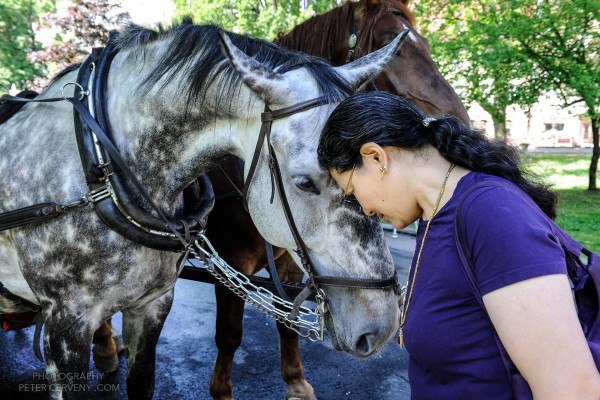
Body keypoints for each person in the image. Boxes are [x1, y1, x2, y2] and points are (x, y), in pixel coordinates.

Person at [317, 91, 600, 399]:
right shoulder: (434, 214)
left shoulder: (490, 213)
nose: (365, 209)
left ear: (376, 158)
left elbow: (572, 388)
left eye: (351, 191)